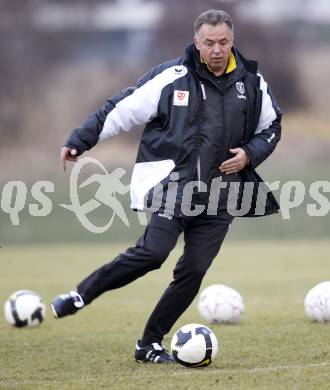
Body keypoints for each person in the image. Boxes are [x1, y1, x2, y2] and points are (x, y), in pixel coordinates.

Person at [51, 9, 282, 364]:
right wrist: (81, 139)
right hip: (174, 188)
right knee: (153, 253)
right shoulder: (172, 77)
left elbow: (272, 126)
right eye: (209, 43)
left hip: (221, 196)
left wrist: (250, 154)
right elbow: (122, 108)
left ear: (232, 41)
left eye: (223, 42)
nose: (217, 50)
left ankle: (149, 344)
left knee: (193, 270)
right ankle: (82, 294)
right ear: (196, 42)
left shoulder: (251, 81)